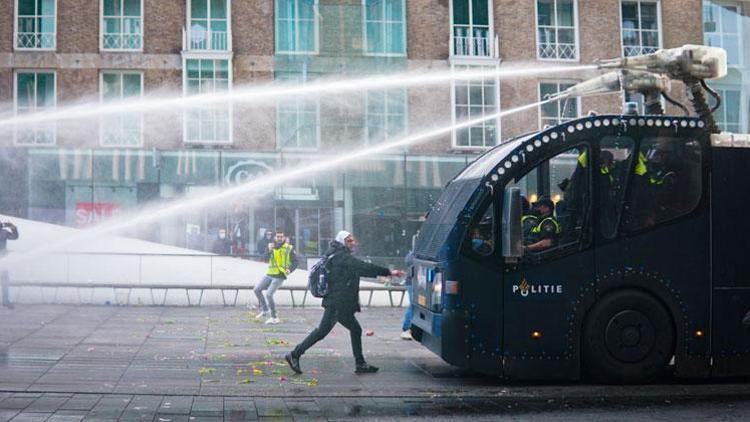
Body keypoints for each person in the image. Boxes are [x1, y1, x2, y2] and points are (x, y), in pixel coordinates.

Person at [285, 230, 404, 374]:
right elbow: (364, 266)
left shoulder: (339, 255)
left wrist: (384, 274)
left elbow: (361, 270)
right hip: (337, 303)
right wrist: (389, 272)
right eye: (349, 241)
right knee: (322, 332)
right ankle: (295, 354)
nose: (353, 243)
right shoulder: (342, 257)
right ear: (342, 242)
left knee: (355, 329)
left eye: (353, 240)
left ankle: (360, 363)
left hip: (341, 303)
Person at [254, 229, 298, 324]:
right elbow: (264, 259)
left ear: (284, 237)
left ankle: (274, 317)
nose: (279, 238)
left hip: (280, 275)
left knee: (269, 294)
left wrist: (289, 270)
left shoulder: (289, 248)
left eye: (281, 236)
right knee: (257, 289)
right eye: (278, 236)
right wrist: (269, 250)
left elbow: (295, 261)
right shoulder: (271, 247)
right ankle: (265, 310)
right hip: (270, 273)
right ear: (274, 237)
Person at [0, 220, 19, 309]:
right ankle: (5, 301)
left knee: (5, 281)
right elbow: (15, 237)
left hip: (2, 260)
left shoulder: (3, 232)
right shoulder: (3, 232)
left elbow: (15, 237)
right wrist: (12, 226)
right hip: (3, 259)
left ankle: (5, 300)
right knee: (5, 282)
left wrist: (12, 227)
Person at [400, 250, 415, 340]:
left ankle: (408, 327)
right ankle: (406, 328)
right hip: (412, 281)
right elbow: (408, 260)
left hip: (414, 281)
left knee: (413, 304)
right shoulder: (414, 253)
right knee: (413, 304)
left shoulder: (413, 252)